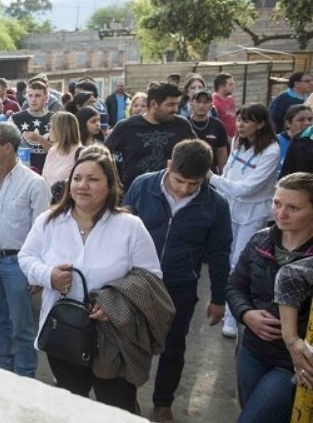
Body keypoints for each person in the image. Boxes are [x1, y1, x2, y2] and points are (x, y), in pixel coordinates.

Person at [19, 146, 163, 413]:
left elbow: (151, 277)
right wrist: (48, 275)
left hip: (114, 338)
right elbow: (26, 257)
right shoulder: (48, 221)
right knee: (71, 403)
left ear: (110, 185)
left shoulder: (130, 227)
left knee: (117, 405)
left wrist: (115, 302)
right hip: (63, 332)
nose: (82, 186)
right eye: (77, 178)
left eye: (93, 179)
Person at [124, 139, 233, 423]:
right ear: (169, 166)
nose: (185, 189)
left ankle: (163, 402)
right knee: (130, 342)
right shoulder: (142, 186)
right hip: (135, 282)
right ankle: (126, 399)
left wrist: (219, 298)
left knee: (173, 347)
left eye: (194, 183)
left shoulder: (216, 204)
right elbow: (120, 230)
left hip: (180, 287)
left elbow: (220, 253)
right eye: (180, 180)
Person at [227, 172, 313, 423]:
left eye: (293, 207)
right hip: (252, 350)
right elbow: (234, 286)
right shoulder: (259, 239)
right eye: (277, 203)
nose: (281, 213)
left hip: (291, 362)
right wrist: (246, 313)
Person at [0, 122, 50, 377]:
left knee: (22, 326)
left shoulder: (34, 184)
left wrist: (37, 272)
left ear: (8, 147)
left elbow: (44, 232)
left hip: (17, 264)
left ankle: (26, 375)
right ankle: (4, 372)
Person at [209, 103, 280, 338]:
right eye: (239, 119)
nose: (240, 124)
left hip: (252, 214)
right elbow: (229, 174)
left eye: (246, 121)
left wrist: (211, 178)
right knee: (226, 257)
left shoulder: (271, 150)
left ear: (260, 124)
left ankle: (232, 317)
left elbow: (247, 189)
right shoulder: (237, 141)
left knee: (238, 263)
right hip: (230, 209)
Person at [104, 83, 197, 190]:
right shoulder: (126, 126)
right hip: (135, 197)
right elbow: (103, 155)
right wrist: (115, 181)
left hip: (172, 196)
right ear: (154, 104)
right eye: (170, 105)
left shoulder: (182, 125)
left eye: (177, 104)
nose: (176, 109)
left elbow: (197, 155)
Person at [11, 79, 54, 174]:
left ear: (46, 98)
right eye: (30, 96)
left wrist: (39, 139)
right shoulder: (15, 119)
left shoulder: (55, 119)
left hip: (48, 172)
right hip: (22, 173)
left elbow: (59, 152)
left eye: (37, 96)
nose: (33, 99)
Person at [188, 89, 229, 174]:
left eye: (206, 102)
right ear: (191, 104)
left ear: (211, 105)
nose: (201, 105)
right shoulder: (184, 124)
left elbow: (221, 151)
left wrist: (222, 174)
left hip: (210, 174)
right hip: (187, 173)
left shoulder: (217, 125)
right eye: (198, 101)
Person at [42, 112, 83, 188]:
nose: (49, 130)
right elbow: (44, 179)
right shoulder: (52, 150)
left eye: (50, 126)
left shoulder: (80, 153)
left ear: (60, 129)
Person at [276, 104, 313, 176]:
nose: (307, 123)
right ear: (288, 123)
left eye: (310, 119)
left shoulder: (309, 143)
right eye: (301, 120)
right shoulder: (275, 141)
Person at [213, 73, 237, 140]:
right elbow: (215, 126)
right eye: (230, 84)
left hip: (234, 138)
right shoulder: (214, 103)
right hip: (223, 140)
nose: (233, 86)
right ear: (221, 87)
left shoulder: (231, 99)